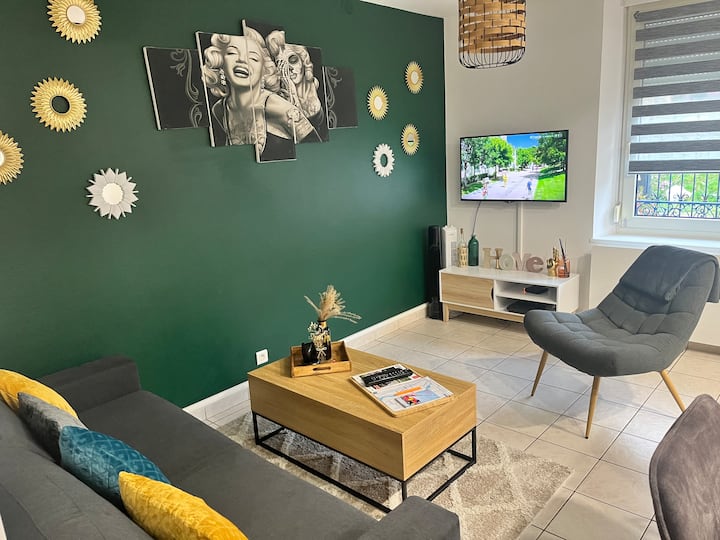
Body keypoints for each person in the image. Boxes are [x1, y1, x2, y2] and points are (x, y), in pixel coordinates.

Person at [201, 29, 318, 155]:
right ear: (220, 62)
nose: (242, 60)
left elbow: (317, 152)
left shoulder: (281, 110)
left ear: (264, 70)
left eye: (253, 58)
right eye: (232, 53)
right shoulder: (219, 110)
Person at [266, 30, 323, 124]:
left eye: (293, 60)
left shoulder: (314, 83)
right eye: (281, 64)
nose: (290, 69)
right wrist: (291, 92)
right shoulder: (278, 99)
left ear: (303, 60)